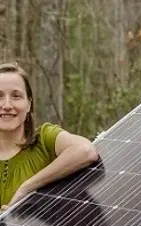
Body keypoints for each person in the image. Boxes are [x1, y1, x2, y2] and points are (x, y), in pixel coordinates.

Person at [0, 62, 98, 210]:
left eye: (16, 96)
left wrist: (26, 187)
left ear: (29, 104)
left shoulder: (45, 139)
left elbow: (85, 150)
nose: (7, 105)